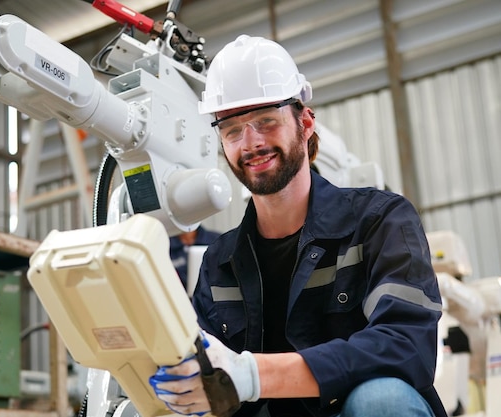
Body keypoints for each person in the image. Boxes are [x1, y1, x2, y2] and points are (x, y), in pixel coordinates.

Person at [149, 35, 447, 417]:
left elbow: (406, 346)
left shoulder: (379, 221)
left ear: (305, 123)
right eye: (232, 130)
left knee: (382, 400)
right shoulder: (219, 263)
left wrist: (253, 374)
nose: (250, 143)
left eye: (265, 121)